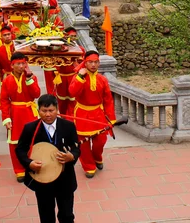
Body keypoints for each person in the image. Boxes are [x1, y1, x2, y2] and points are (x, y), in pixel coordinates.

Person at [15, 95, 80, 223]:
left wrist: (71, 156)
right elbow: (20, 149)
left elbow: (76, 147)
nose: (48, 114)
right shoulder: (30, 128)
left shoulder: (68, 126)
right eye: (44, 111)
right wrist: (29, 163)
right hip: (42, 181)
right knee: (46, 216)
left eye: (51, 110)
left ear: (57, 109)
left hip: (64, 179)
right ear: (38, 111)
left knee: (67, 215)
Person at [68, 50, 116, 178]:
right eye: (90, 62)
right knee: (83, 143)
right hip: (82, 114)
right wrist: (80, 77)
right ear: (85, 63)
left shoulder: (103, 79)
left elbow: (108, 100)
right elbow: (72, 92)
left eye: (96, 62)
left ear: (99, 63)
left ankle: (97, 157)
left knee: (100, 140)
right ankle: (88, 166)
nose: (93, 65)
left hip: (98, 113)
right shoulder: (78, 77)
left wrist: (111, 118)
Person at [0, 52, 41, 182]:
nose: (21, 66)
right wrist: (6, 118)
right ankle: (19, 170)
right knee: (14, 143)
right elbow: (4, 100)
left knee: (33, 141)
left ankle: (32, 165)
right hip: (15, 114)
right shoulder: (7, 80)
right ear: (12, 65)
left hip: (29, 112)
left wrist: (29, 79)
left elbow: (36, 94)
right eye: (18, 64)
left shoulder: (32, 78)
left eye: (23, 63)